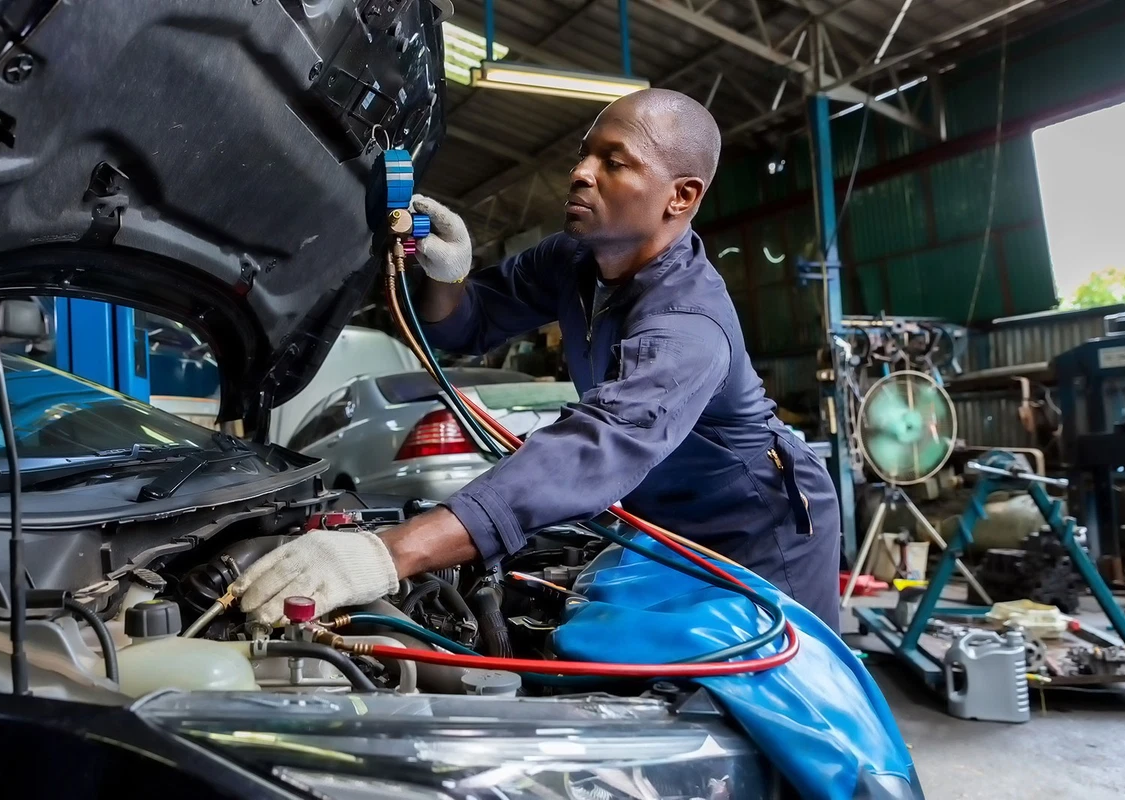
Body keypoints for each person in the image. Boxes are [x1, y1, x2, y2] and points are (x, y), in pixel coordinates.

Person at [236, 88, 843, 631]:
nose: (580, 173)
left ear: (679, 197)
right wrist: (447, 274)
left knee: (783, 700)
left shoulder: (687, 325)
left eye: (614, 162)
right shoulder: (572, 261)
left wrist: (391, 552)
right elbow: (464, 324)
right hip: (661, 525)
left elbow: (596, 448)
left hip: (762, 531)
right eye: (584, 154)